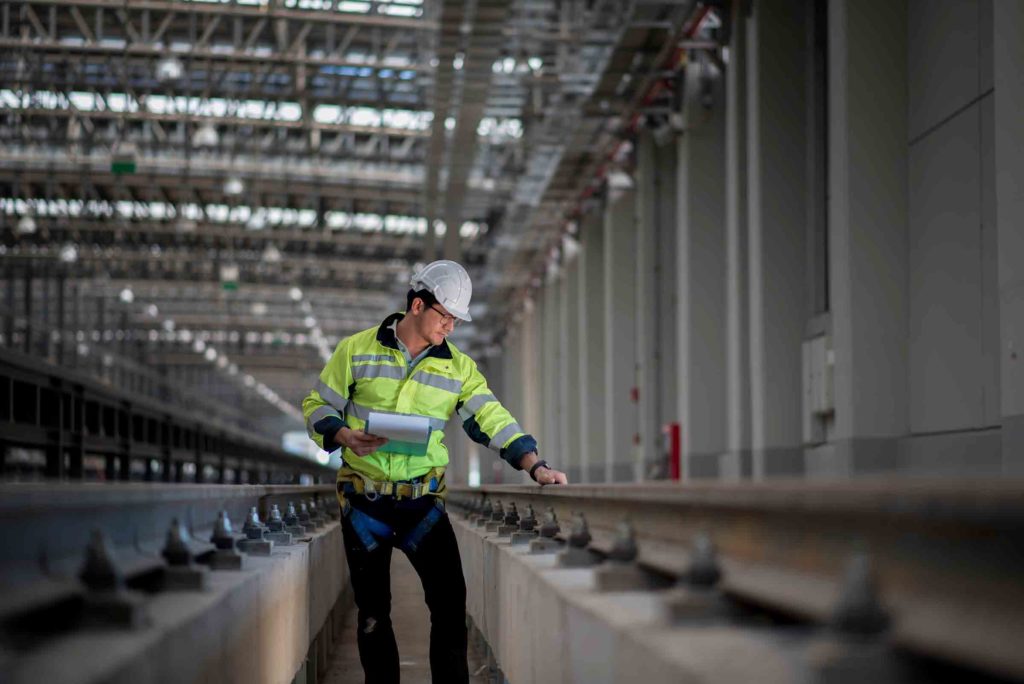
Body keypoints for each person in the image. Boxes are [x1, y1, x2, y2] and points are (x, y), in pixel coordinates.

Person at [302, 259, 567, 683]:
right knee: (373, 614)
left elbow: (491, 418)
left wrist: (534, 465)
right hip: (364, 505)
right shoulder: (356, 350)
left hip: (422, 506)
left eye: (456, 321)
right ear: (418, 306)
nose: (451, 328)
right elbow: (317, 406)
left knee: (449, 609)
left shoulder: (458, 368)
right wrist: (343, 435)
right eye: (446, 317)